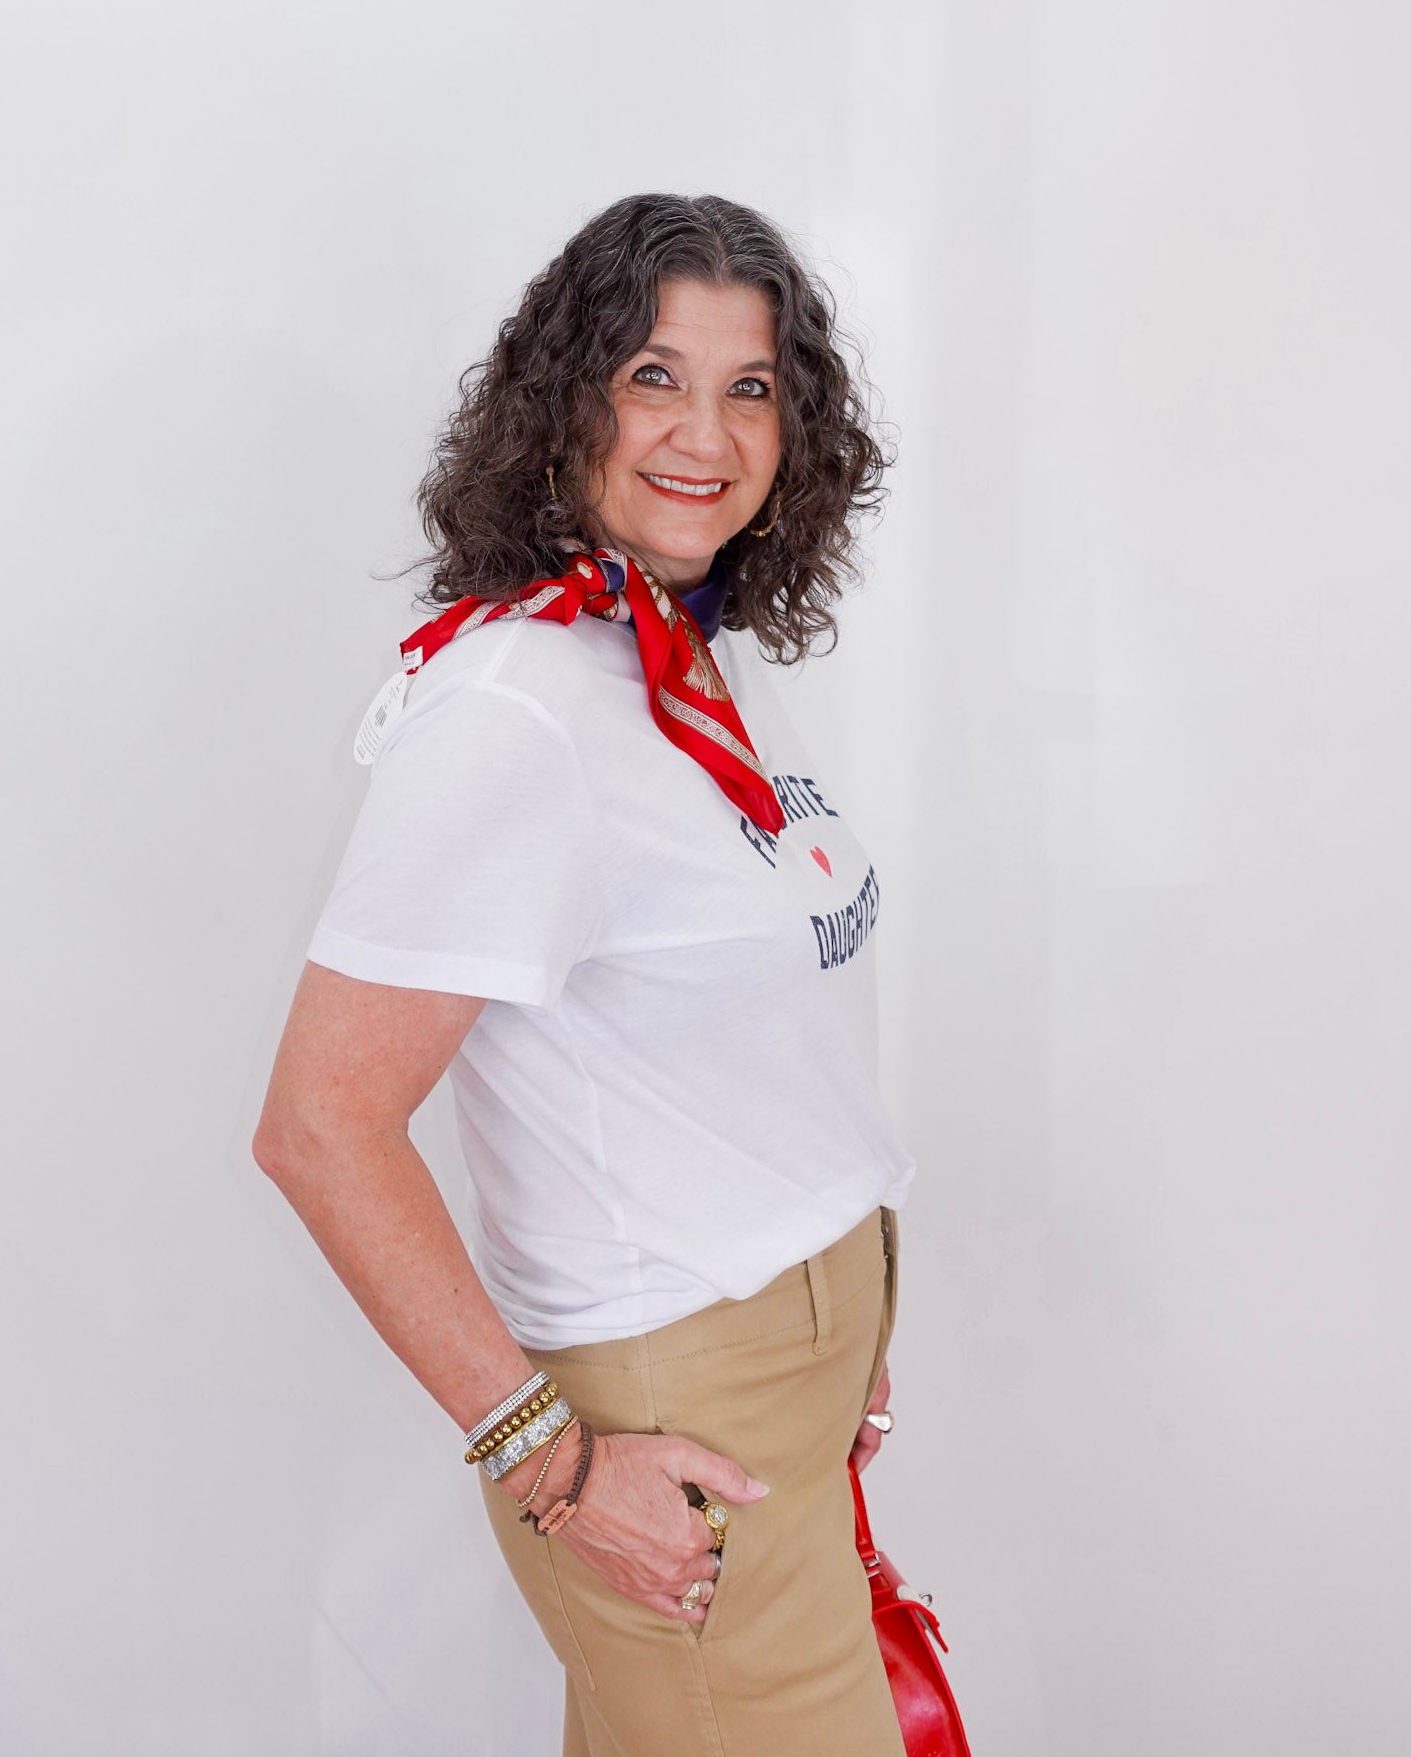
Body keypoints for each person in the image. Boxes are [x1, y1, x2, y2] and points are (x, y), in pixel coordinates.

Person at [252, 191, 917, 1756]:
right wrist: (550, 1460)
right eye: (652, 376)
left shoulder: (681, 652)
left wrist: (847, 1304)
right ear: (566, 404)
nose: (705, 432)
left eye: (749, 387)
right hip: (676, 1407)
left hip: (778, 1386)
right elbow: (320, 1126)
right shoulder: (516, 705)